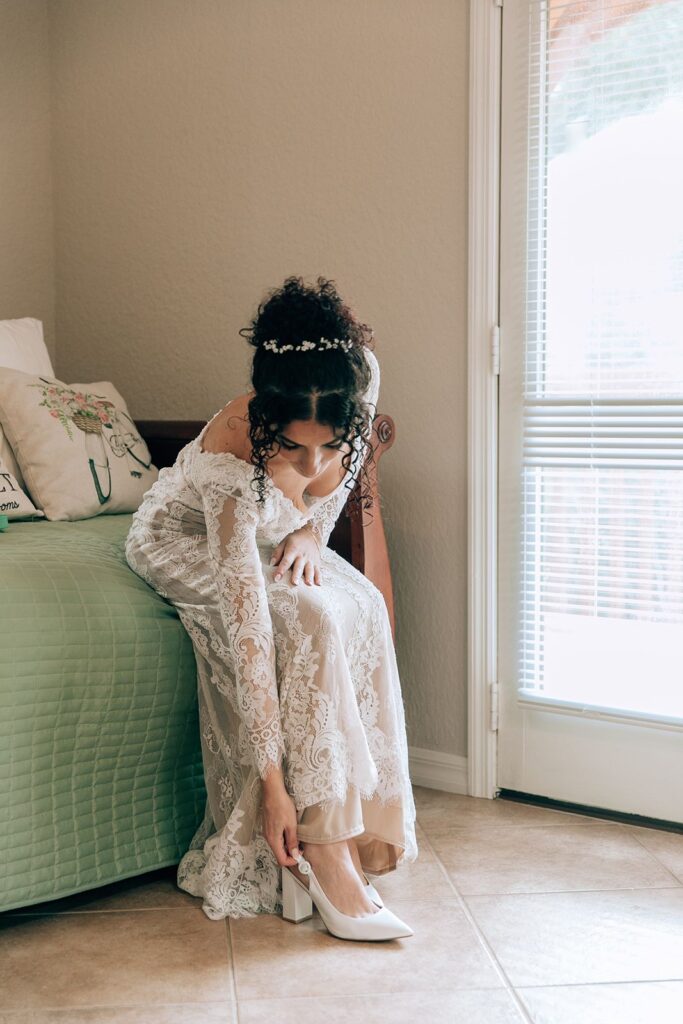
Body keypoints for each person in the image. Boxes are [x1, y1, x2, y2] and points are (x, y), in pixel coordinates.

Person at [124, 276, 418, 937]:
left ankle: (359, 826)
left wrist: (309, 528)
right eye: (292, 446)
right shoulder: (235, 447)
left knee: (361, 602)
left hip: (277, 526)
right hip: (186, 536)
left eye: (328, 444)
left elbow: (329, 491)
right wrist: (272, 785)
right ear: (263, 422)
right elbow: (247, 627)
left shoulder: (355, 379)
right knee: (307, 615)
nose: (314, 460)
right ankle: (323, 847)